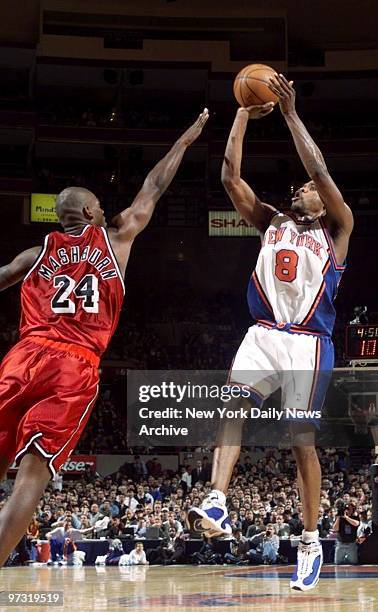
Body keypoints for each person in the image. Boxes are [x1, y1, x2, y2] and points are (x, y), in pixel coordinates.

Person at [0, 108, 209, 567]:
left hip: (22, 355)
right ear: (92, 212)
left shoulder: (35, 254)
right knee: (34, 473)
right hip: (73, 362)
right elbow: (153, 187)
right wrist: (185, 141)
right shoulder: (115, 238)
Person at [188, 74, 354, 592]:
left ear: (323, 202)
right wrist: (241, 113)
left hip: (307, 341)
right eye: (298, 188)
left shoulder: (338, 228)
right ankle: (217, 496)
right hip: (263, 331)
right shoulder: (270, 221)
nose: (298, 189)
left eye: (305, 189)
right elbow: (230, 180)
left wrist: (289, 113)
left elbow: (319, 168)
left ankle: (310, 541)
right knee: (231, 408)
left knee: (300, 440)